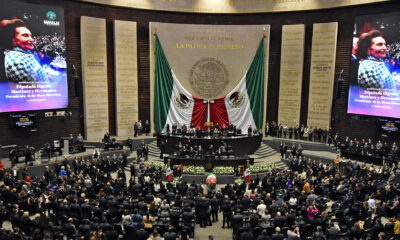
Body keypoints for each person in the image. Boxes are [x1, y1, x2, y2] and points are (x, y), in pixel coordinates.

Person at [0, 18, 48, 82]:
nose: (32, 39)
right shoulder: (16, 62)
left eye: (30, 36)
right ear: (13, 39)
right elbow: (33, 90)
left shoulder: (26, 52)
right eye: (25, 35)